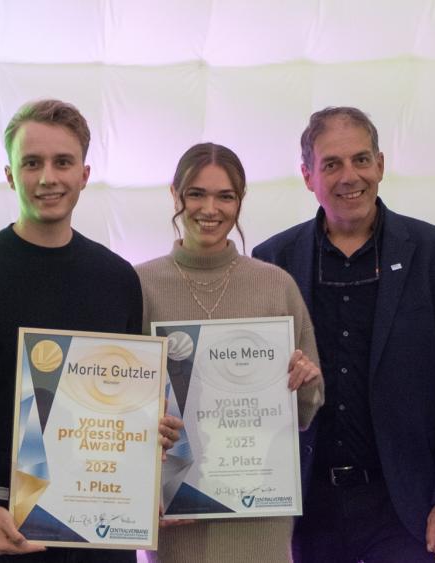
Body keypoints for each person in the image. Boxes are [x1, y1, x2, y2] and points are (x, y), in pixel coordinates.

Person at [0, 98, 182, 562]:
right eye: (32, 163)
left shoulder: (117, 279)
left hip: (101, 536)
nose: (47, 177)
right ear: (10, 174)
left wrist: (150, 430)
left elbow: (123, 400)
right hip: (2, 532)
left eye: (62, 162)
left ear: (84, 174)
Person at [253, 106, 435, 561]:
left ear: (380, 164)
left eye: (361, 159)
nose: (350, 176)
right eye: (331, 164)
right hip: (306, 508)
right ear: (308, 176)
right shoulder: (273, 260)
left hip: (404, 507)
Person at [135, 142, 323, 563]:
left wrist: (306, 381)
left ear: (240, 200)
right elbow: (121, 411)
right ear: (175, 195)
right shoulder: (140, 286)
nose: (210, 209)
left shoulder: (275, 285)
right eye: (196, 194)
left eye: (225, 196)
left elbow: (305, 411)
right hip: (176, 519)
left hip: (260, 518)